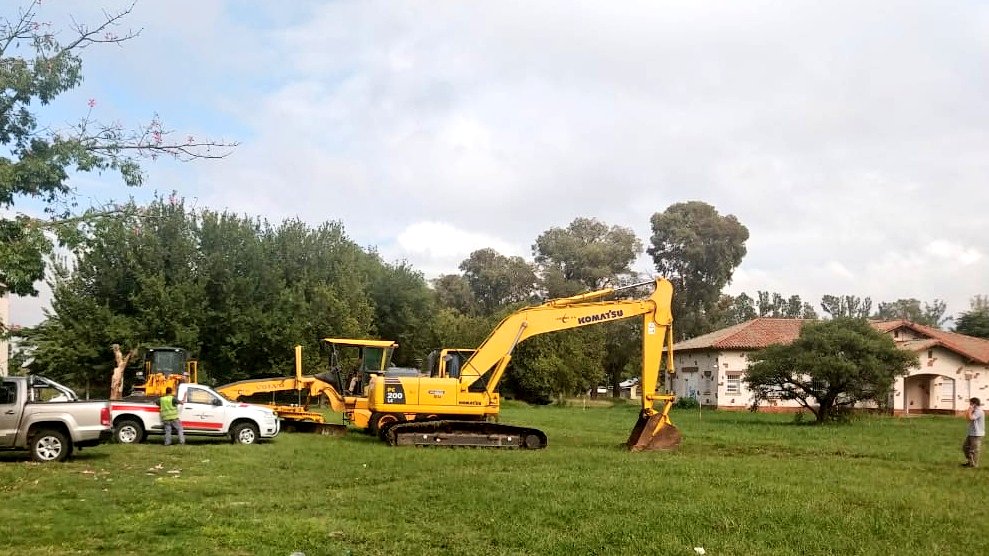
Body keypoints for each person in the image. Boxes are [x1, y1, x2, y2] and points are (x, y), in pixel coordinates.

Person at [962, 397, 984, 468]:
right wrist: (969, 410)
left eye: (971, 403)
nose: (970, 405)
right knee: (965, 447)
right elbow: (967, 418)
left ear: (975, 403)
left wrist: (970, 410)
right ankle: (970, 462)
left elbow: (971, 418)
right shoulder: (974, 410)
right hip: (971, 433)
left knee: (974, 450)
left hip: (977, 434)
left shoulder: (979, 411)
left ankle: (974, 465)